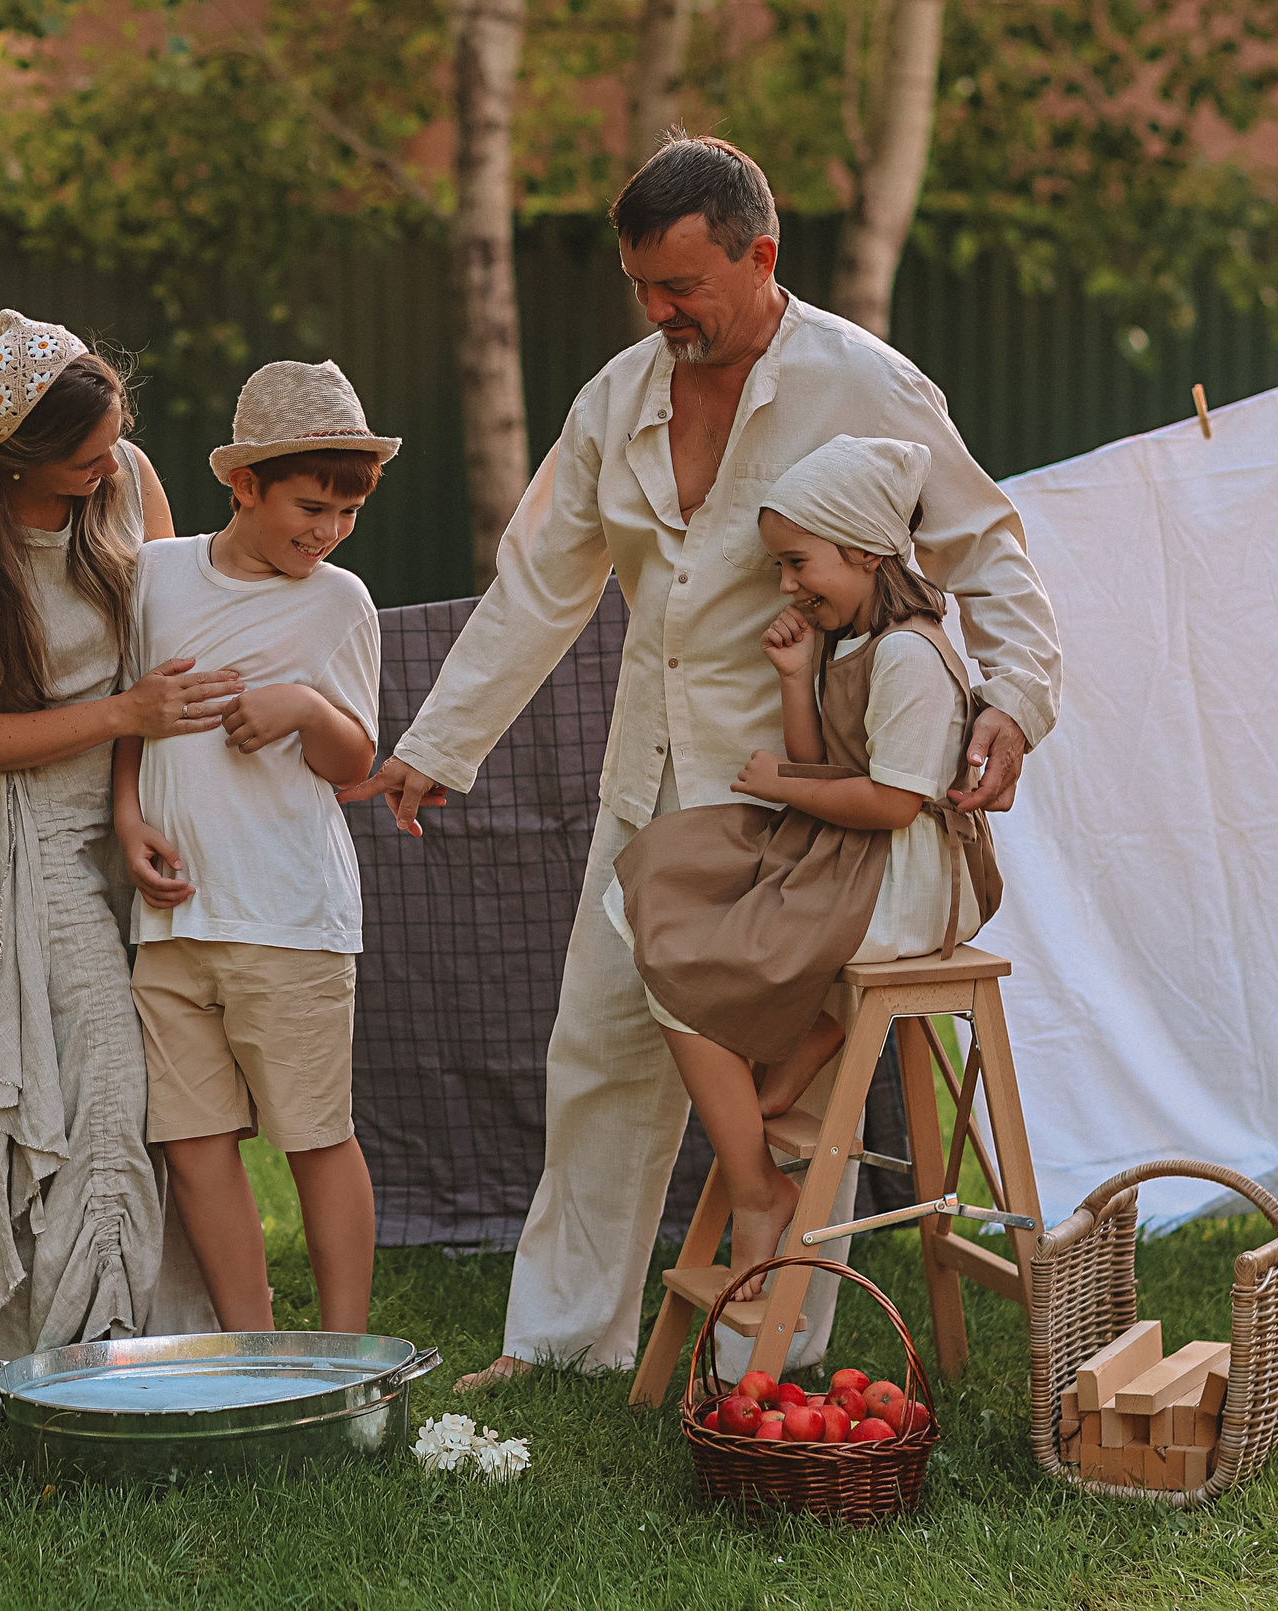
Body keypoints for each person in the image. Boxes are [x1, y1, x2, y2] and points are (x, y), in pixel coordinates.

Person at [339, 136, 1063, 1391]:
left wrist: (1014, 699)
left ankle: (763, 1362)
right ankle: (562, 1345)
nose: (661, 315)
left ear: (760, 255)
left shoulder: (868, 384)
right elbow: (538, 587)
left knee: (783, 1105)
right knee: (601, 1050)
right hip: (652, 787)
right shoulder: (615, 398)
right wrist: (437, 746)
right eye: (642, 290)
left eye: (683, 289)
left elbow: (987, 547)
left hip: (803, 809)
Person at [0, 309, 232, 1410]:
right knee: (100, 1093)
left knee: (152, 1090)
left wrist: (131, 801)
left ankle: (139, 1341)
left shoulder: (125, 479)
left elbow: (164, 655)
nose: (107, 465)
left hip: (130, 813)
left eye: (114, 440)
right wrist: (123, 714)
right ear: (16, 455)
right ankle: (88, 1360)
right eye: (81, 456)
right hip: (20, 837)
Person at [605, 435, 1004, 1292]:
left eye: (796, 562)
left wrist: (785, 782)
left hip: (903, 880)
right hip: (852, 852)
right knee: (657, 887)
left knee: (682, 957)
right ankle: (809, 1037)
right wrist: (796, 677)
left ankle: (759, 1189)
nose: (787, 583)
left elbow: (893, 801)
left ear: (863, 549)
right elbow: (825, 756)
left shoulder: (908, 653)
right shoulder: (858, 643)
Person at [114, 361, 393, 1334]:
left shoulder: (337, 603)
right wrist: (123, 815)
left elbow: (355, 759)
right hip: (172, 914)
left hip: (289, 917)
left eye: (345, 514)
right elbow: (124, 720)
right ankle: (254, 1347)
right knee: (194, 1142)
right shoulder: (152, 578)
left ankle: (347, 1353)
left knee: (316, 1137)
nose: (326, 532)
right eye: (309, 507)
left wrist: (300, 707)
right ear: (243, 485)